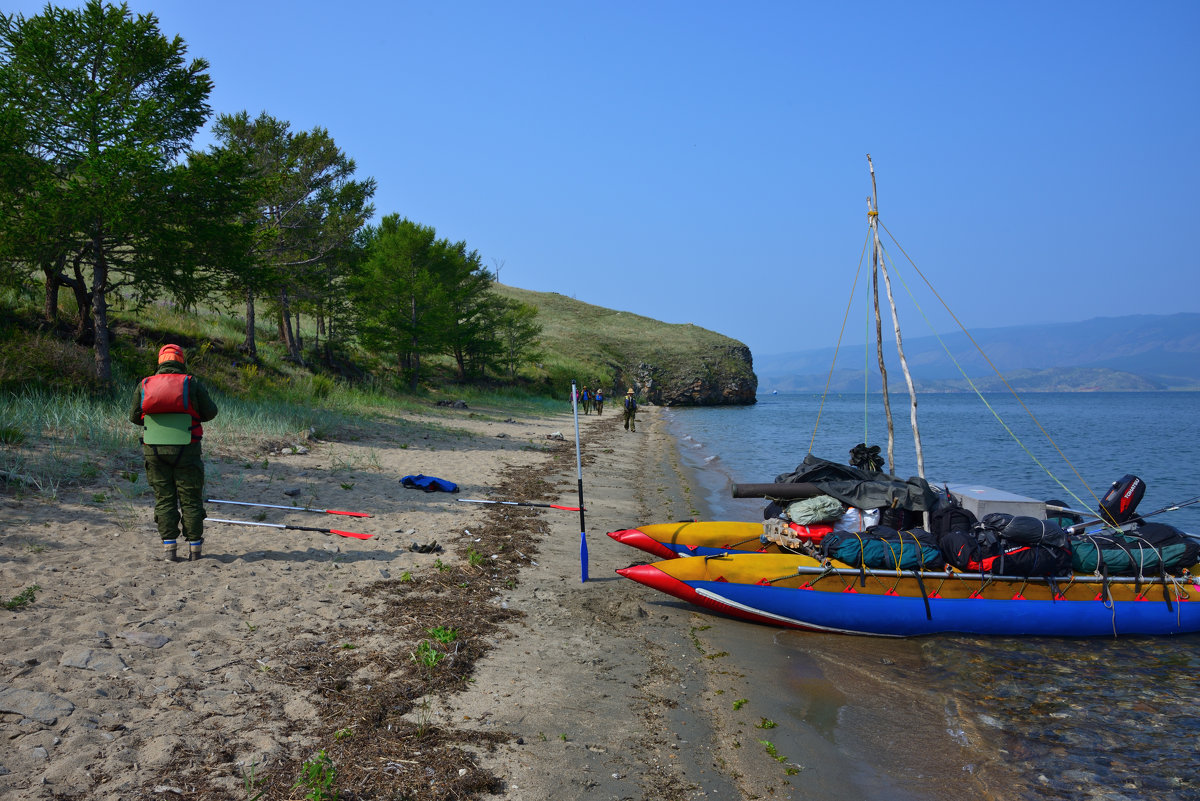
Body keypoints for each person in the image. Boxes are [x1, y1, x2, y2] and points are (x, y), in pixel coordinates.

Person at [130, 344, 219, 562]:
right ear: (181, 361)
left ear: (160, 361)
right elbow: (211, 413)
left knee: (164, 498)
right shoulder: (192, 383)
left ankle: (169, 549)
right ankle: (195, 549)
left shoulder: (144, 384)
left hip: (154, 450)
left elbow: (134, 416)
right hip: (187, 449)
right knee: (190, 498)